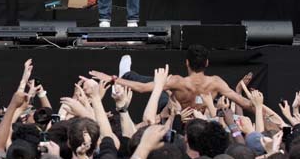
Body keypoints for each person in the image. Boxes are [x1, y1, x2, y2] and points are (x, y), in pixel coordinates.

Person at [91, 45, 253, 110]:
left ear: (187, 63)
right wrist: (259, 108)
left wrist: (114, 79)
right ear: (207, 63)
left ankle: (125, 73)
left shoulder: (178, 81)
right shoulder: (216, 82)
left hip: (174, 115)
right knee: (164, 90)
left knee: (158, 87)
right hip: (196, 119)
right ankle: (126, 73)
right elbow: (245, 103)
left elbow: (142, 88)